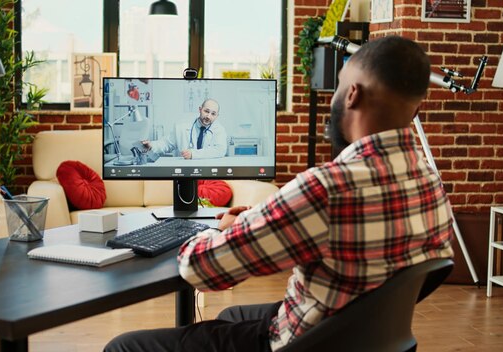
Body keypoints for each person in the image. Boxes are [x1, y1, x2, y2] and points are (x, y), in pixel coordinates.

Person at [104, 35, 455, 352]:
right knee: (230, 316)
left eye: (337, 87)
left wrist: (221, 229)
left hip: (300, 342)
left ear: (353, 94)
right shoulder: (429, 180)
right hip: (362, 335)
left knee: (124, 347)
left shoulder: (327, 188)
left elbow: (202, 270)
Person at [142, 98, 228, 159]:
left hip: (208, 171)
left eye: (213, 114)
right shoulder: (182, 126)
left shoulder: (219, 130)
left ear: (217, 116)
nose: (208, 116)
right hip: (185, 170)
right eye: (206, 111)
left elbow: (220, 150)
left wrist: (193, 154)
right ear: (200, 109)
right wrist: (152, 145)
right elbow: (166, 143)